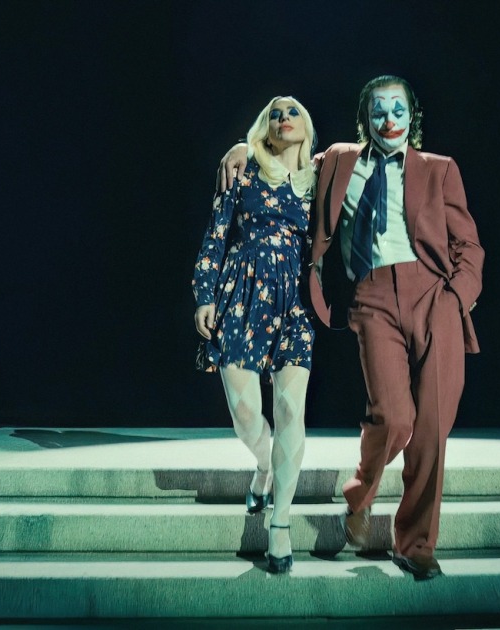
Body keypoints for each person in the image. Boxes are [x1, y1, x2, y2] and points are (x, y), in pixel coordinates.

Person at [219, 75, 483, 580]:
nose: (389, 120)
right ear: (365, 118)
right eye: (379, 111)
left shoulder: (440, 168)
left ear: (412, 116)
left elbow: (468, 245)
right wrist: (242, 148)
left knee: (431, 429)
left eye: (398, 110)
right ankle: (360, 493)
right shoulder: (339, 159)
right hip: (373, 295)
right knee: (394, 416)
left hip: (435, 296)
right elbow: (287, 156)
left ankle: (415, 544)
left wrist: (456, 297)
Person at [193, 95, 317, 574]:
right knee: (246, 415)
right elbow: (216, 233)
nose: (284, 118)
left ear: (307, 127)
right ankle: (264, 465)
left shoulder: (318, 179)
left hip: (295, 301)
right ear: (264, 126)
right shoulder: (243, 170)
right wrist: (204, 294)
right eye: (275, 113)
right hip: (241, 294)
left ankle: (280, 523)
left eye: (293, 112)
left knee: (290, 410)